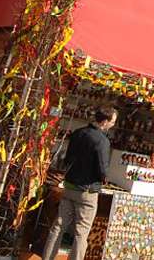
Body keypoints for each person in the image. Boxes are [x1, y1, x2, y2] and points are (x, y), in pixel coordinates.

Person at [42, 106, 116, 260]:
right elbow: (103, 169)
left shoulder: (78, 133)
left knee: (58, 227)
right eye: (112, 122)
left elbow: (68, 159)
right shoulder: (102, 141)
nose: (113, 125)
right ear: (105, 121)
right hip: (87, 191)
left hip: (70, 186)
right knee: (81, 233)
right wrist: (104, 179)